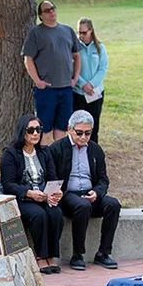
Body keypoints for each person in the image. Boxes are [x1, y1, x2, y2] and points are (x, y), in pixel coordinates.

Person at [48, 110, 122, 270]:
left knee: (113, 204)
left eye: (87, 133)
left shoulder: (96, 150)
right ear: (69, 129)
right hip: (67, 195)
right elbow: (52, 177)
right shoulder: (56, 149)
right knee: (82, 205)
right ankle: (77, 254)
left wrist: (97, 192)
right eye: (79, 132)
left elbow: (103, 179)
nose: (83, 137)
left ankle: (103, 253)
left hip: (90, 193)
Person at [1, 115, 63, 273]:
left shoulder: (44, 152)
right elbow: (7, 184)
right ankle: (41, 256)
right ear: (22, 131)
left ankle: (51, 255)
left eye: (38, 129)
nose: (35, 133)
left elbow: (52, 177)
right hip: (24, 198)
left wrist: (56, 191)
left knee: (55, 213)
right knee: (38, 215)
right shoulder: (10, 153)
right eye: (31, 130)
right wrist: (29, 193)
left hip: (43, 196)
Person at [23, 0, 81, 145]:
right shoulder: (36, 32)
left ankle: (58, 161)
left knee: (62, 129)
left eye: (53, 8)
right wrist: (37, 81)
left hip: (66, 88)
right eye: (47, 10)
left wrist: (75, 78)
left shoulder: (67, 30)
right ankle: (44, 161)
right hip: (46, 89)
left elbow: (77, 55)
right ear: (40, 15)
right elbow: (28, 59)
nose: (51, 12)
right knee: (45, 130)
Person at [73, 18, 108, 143]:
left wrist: (91, 84)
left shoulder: (100, 48)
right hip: (78, 92)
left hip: (95, 93)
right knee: (77, 126)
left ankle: (92, 153)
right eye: (79, 33)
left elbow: (102, 68)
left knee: (93, 126)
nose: (81, 36)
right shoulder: (75, 47)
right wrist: (83, 84)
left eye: (84, 33)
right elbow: (72, 67)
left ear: (91, 31)